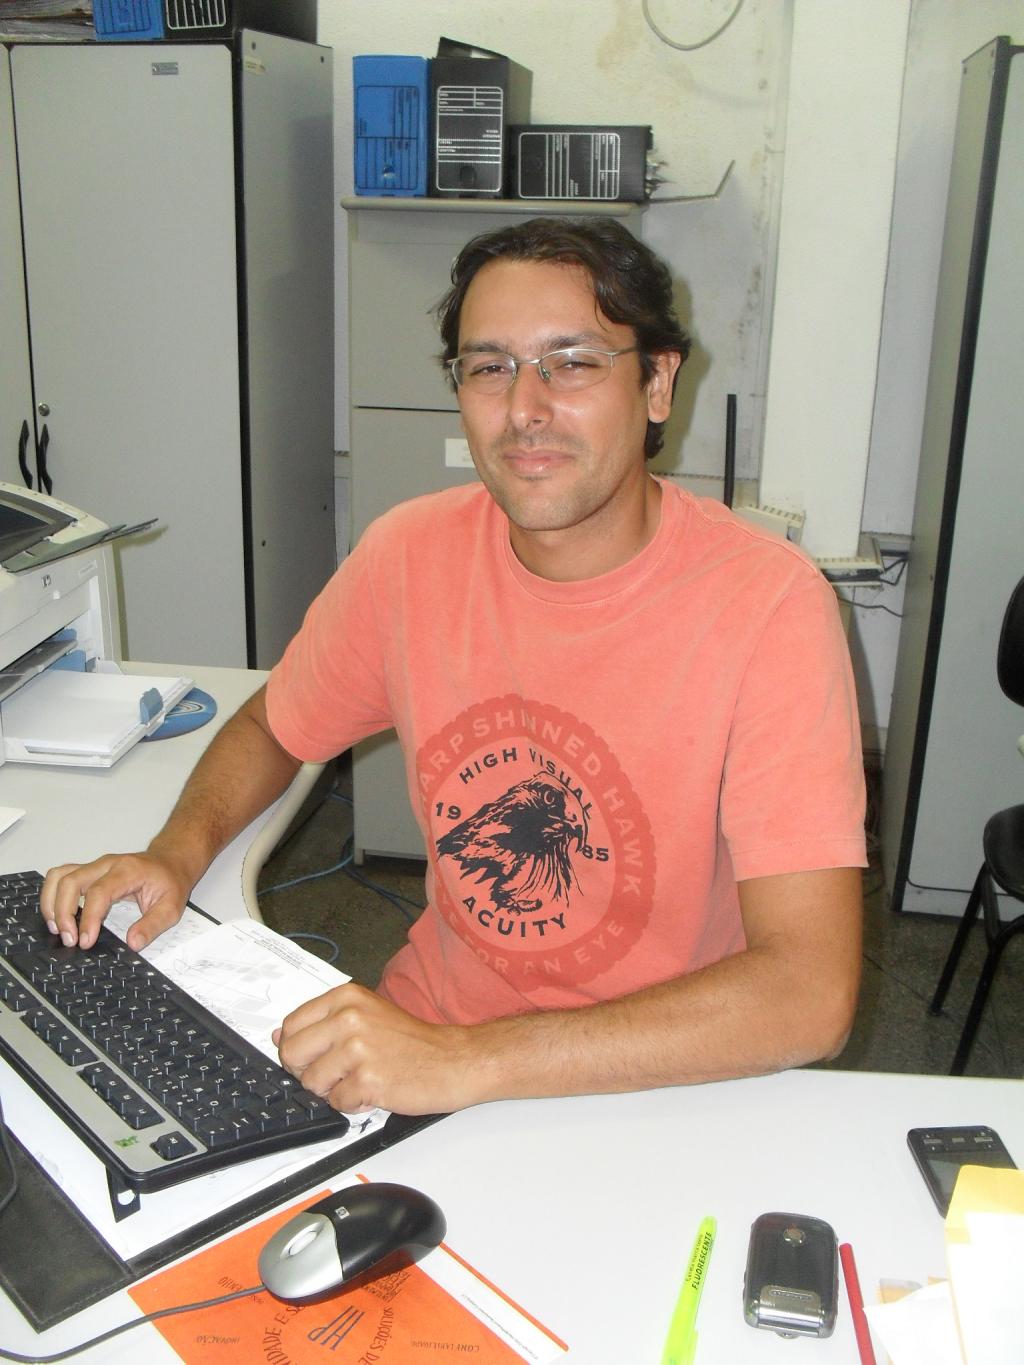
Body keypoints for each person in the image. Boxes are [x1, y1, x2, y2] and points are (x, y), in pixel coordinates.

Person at [42, 217, 866, 1119]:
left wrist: (469, 1059)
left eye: (573, 363)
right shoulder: (410, 555)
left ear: (658, 382)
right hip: (428, 1047)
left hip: (653, 1078)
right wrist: (174, 853)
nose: (525, 408)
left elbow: (808, 992)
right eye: (489, 367)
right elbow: (276, 725)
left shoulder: (768, 605)